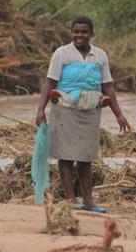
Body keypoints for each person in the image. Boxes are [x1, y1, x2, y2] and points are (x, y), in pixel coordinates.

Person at [34, 16, 130, 213]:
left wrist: (119, 114)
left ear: (91, 34)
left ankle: (88, 201)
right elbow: (50, 82)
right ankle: (71, 199)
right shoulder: (61, 53)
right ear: (71, 33)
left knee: (86, 157)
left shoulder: (100, 55)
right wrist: (40, 110)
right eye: (76, 31)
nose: (80, 35)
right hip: (64, 108)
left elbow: (108, 87)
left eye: (84, 32)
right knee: (66, 156)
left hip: (91, 110)